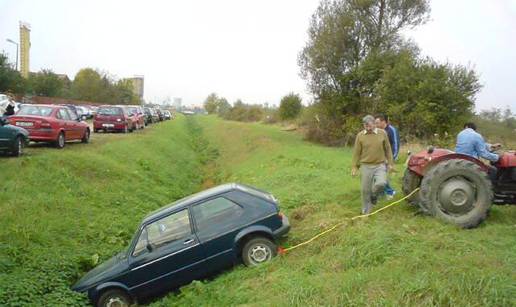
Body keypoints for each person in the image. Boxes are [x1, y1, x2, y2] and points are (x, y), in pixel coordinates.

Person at [351, 115, 395, 214]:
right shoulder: (360, 136)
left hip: (380, 165)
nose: (368, 128)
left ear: (374, 124)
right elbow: (356, 153)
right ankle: (366, 211)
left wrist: (390, 163)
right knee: (365, 190)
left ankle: (374, 195)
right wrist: (354, 167)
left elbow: (388, 149)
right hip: (366, 166)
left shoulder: (382, 133)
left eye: (370, 126)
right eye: (365, 126)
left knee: (381, 183)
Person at [375, 114, 400, 199]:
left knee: (380, 175)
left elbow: (395, 144)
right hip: (379, 157)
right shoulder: (378, 131)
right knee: (378, 175)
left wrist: (391, 159)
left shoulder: (392, 130)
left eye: (377, 123)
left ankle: (390, 192)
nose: (376, 125)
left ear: (383, 122)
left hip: (388, 158)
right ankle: (382, 193)